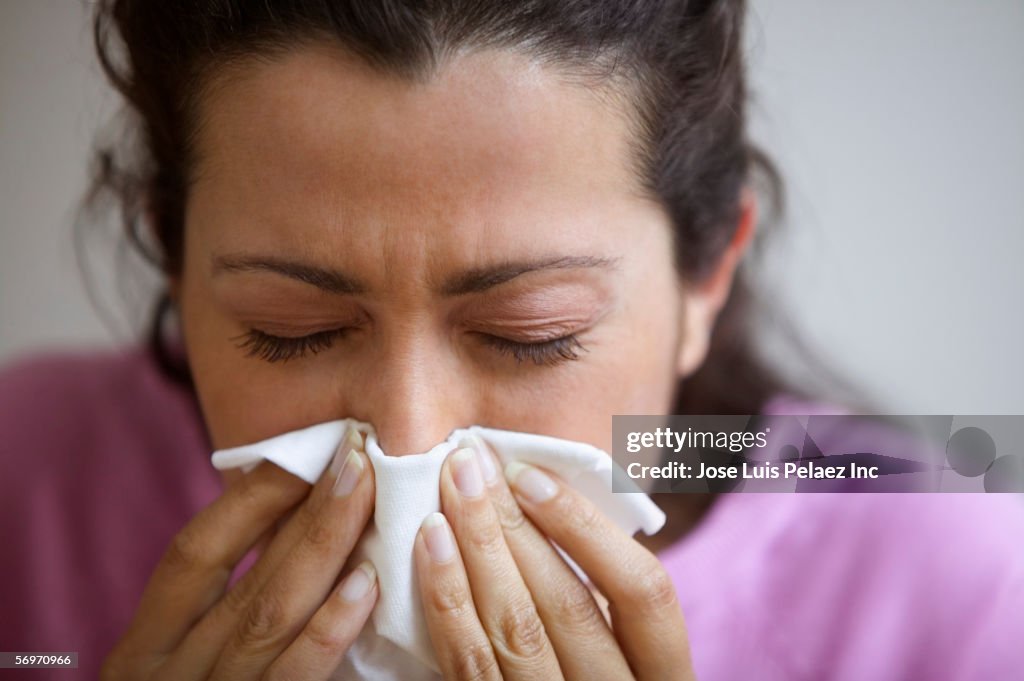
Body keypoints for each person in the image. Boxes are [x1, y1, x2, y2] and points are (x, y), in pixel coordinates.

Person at [1, 1, 1021, 679]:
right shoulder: (29, 474)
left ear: (707, 273)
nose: (405, 439)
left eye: (530, 334)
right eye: (290, 331)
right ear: (173, 261)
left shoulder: (964, 580)